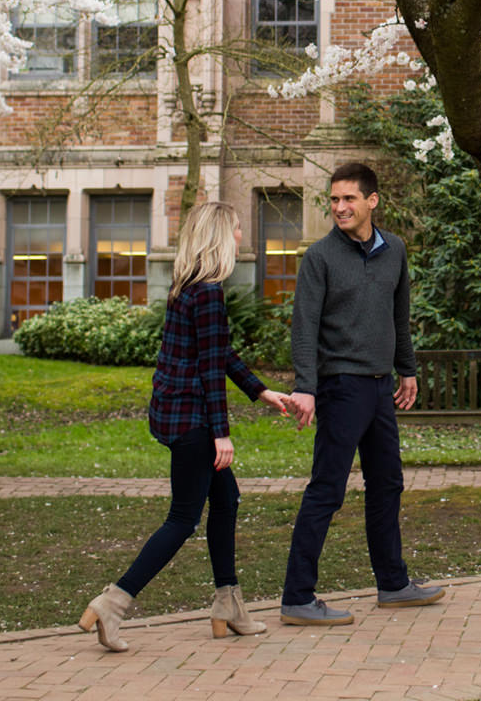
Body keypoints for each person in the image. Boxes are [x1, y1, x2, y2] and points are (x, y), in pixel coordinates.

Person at [78, 200, 291, 652]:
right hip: (194, 421)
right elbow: (211, 370)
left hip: (178, 414)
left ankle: (228, 604)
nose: (240, 235)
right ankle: (113, 602)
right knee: (182, 518)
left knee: (226, 499)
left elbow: (219, 352)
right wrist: (221, 433)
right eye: (236, 228)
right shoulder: (208, 293)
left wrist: (260, 391)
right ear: (219, 235)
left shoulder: (188, 287)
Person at [278, 162, 446, 624]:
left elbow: (399, 316)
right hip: (340, 387)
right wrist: (306, 387)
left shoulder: (395, 250)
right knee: (327, 489)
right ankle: (297, 596)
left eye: (348, 198)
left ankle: (393, 584)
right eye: (334, 199)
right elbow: (304, 328)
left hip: (379, 386)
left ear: (372, 201)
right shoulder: (320, 258)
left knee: (387, 483)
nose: (339, 207)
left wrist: (407, 370)